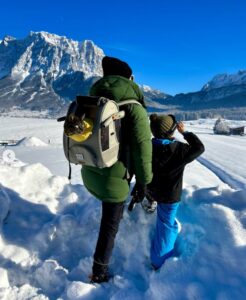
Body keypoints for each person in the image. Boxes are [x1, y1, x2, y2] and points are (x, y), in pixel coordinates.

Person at [81, 56, 153, 283]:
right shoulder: (133, 107)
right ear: (128, 78)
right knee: (109, 226)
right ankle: (99, 271)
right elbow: (143, 148)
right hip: (115, 178)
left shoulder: (92, 100)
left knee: (108, 217)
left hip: (90, 170)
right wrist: (143, 181)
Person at [146, 114, 205, 270]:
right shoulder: (179, 149)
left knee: (162, 216)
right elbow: (199, 148)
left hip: (151, 190)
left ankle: (150, 203)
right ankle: (158, 261)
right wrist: (185, 133)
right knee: (165, 226)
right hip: (169, 197)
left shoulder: (147, 147)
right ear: (172, 131)